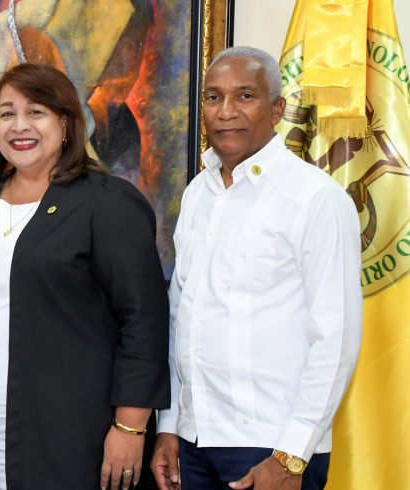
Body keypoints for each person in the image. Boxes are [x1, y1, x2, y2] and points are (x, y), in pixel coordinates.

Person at [0, 63, 170, 490]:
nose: (19, 126)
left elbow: (144, 321)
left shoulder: (107, 203)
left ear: (66, 123)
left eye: (36, 112)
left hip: (81, 432)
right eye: (7, 113)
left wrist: (130, 427)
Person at [150, 46, 362, 490]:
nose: (226, 111)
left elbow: (336, 337)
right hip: (193, 441)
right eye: (213, 97)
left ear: (278, 109)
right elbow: (179, 317)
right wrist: (169, 426)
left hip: (272, 447)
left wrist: (291, 456)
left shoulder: (316, 198)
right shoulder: (197, 194)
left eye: (245, 96)